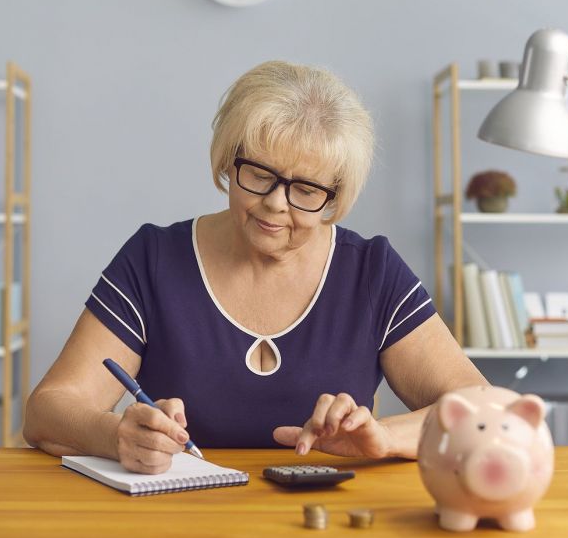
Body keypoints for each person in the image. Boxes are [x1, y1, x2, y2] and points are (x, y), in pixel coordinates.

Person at [24, 60, 489, 474]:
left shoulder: (371, 271)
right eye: (260, 175)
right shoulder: (154, 258)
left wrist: (384, 438)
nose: (274, 205)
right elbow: (46, 411)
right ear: (229, 159)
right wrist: (116, 436)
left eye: (306, 190)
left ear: (335, 195)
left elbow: (482, 406)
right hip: (178, 526)